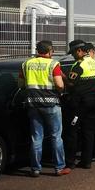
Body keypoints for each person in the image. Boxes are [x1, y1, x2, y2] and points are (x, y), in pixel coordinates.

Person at [19, 40, 70, 177]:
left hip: (33, 105)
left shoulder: (26, 64)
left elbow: (20, 84)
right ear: (50, 51)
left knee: (36, 138)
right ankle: (59, 168)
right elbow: (59, 84)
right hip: (51, 104)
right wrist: (62, 90)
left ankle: (35, 169)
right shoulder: (53, 64)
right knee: (56, 137)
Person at [64, 39, 95, 169]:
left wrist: (63, 76)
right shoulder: (93, 62)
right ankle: (87, 161)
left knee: (72, 132)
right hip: (94, 102)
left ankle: (70, 162)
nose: (73, 55)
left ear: (79, 51)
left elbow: (70, 84)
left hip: (80, 105)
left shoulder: (78, 65)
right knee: (88, 132)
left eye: (73, 53)